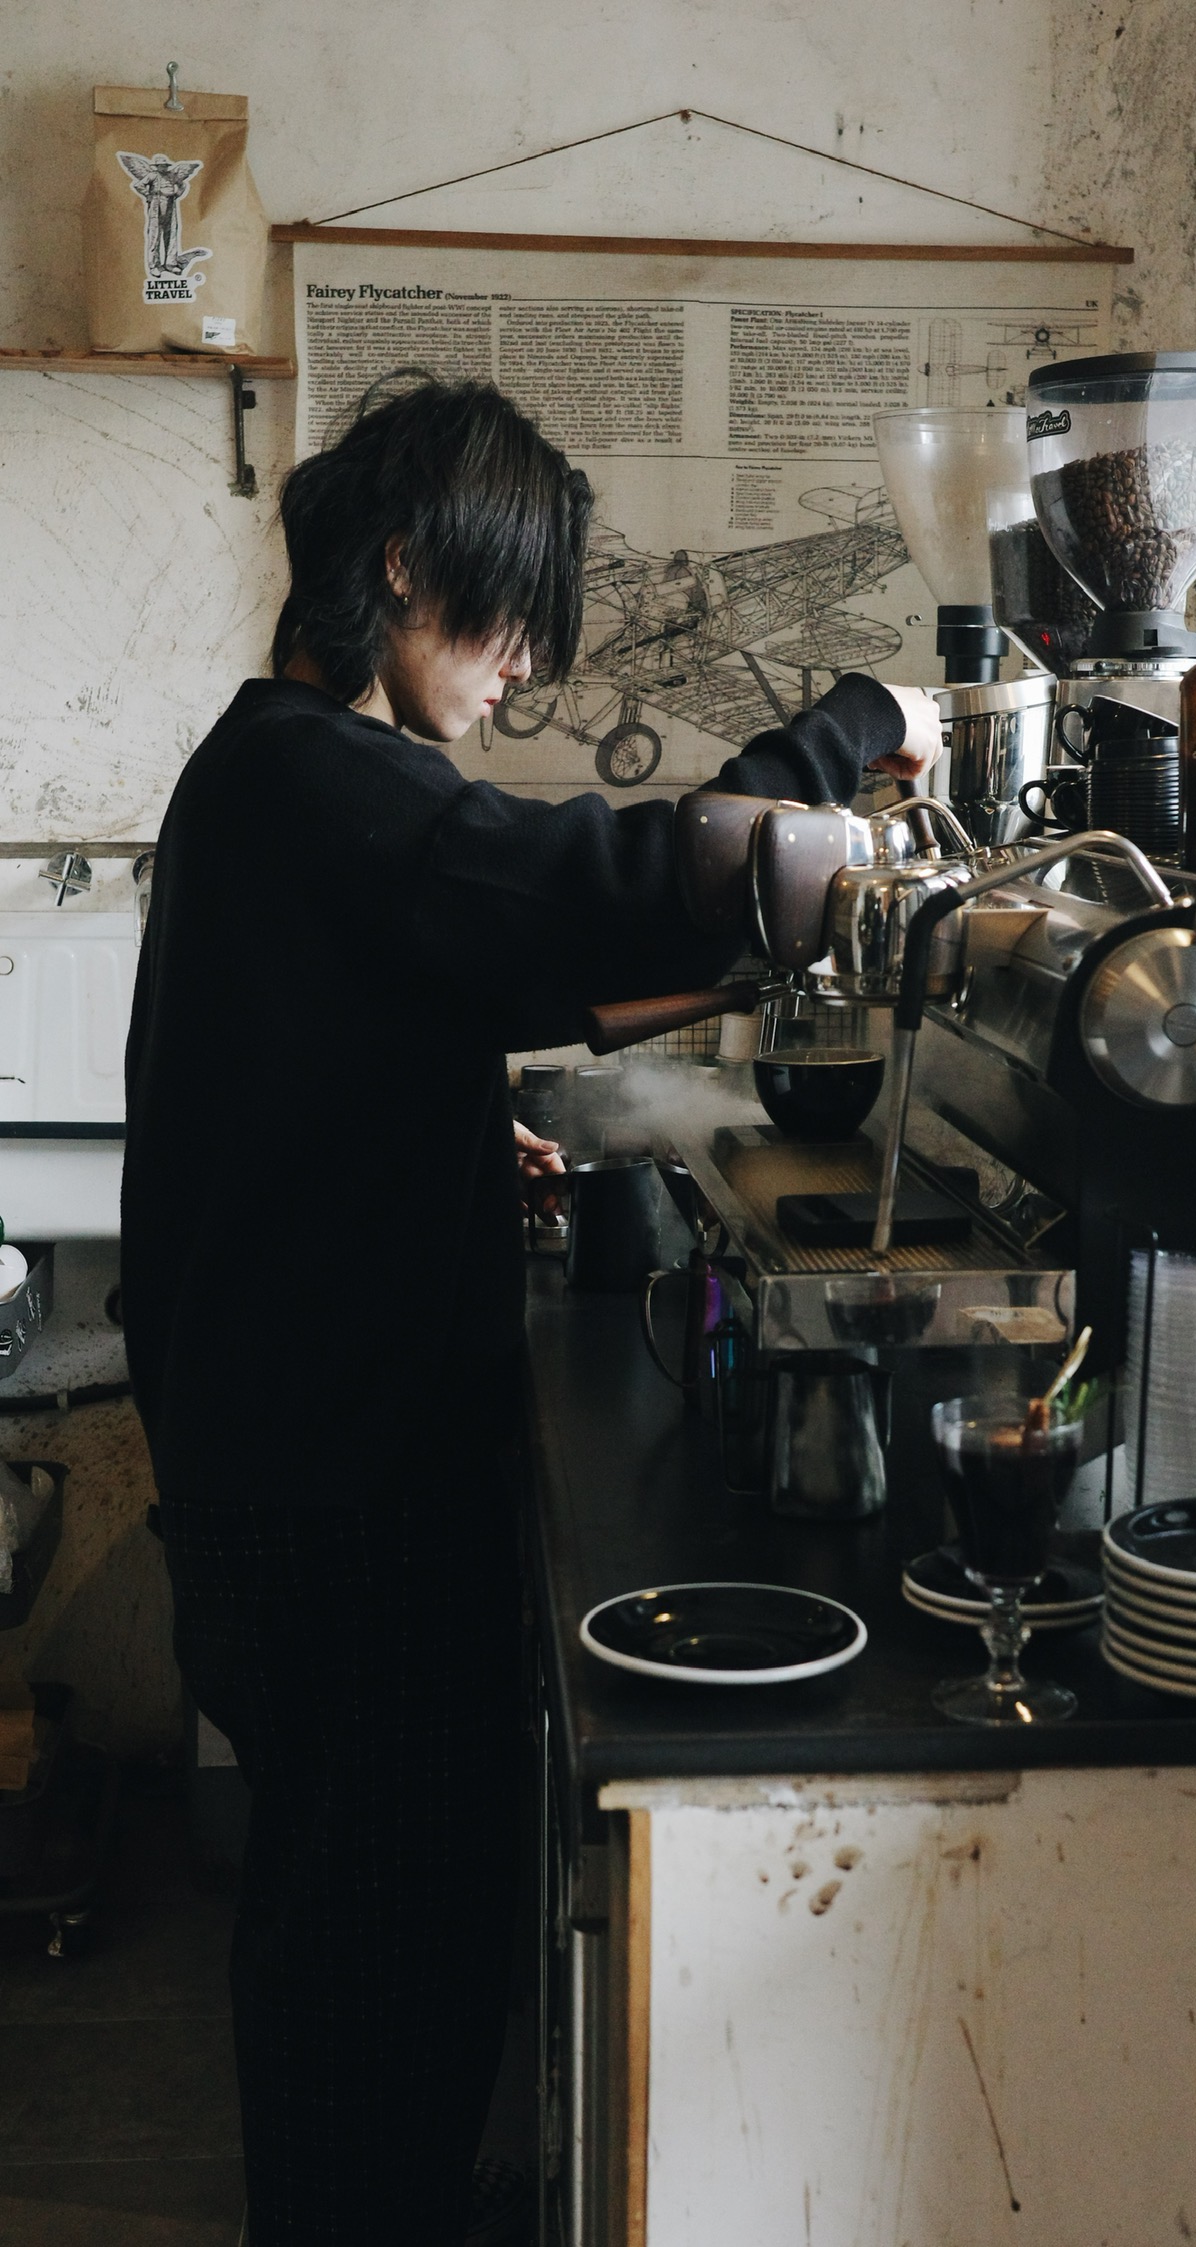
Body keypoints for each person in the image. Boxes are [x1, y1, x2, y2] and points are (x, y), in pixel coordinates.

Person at [121, 377, 940, 2247]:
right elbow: (611, 891)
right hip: (329, 1489)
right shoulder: (322, 780)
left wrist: (436, 1122)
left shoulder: (279, 777)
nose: (520, 672)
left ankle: (394, 2196)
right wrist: (857, 726)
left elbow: (447, 993)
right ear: (406, 568)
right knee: (365, 1930)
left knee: (378, 1907)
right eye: (508, 625)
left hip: (291, 1460)